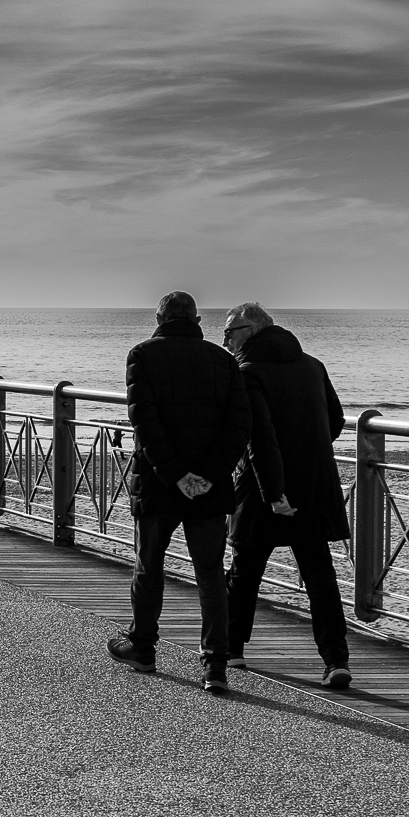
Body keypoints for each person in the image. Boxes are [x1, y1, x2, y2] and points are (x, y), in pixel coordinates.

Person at [108, 290, 251, 695]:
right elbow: (239, 425)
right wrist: (206, 475)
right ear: (198, 321)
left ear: (158, 317)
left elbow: (145, 422)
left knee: (149, 566)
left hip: (158, 482)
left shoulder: (142, 355)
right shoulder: (223, 360)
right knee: (209, 575)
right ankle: (215, 664)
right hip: (209, 487)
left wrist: (176, 475)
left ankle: (142, 648)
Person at [222, 304, 353, 689]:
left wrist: (276, 492)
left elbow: (259, 440)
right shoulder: (312, 364)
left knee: (244, 571)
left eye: (231, 331)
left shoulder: (247, 372)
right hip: (313, 484)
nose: (225, 339)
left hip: (264, 489)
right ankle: (336, 660)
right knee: (319, 574)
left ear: (254, 330)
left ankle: (233, 650)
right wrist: (305, 452)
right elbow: (336, 419)